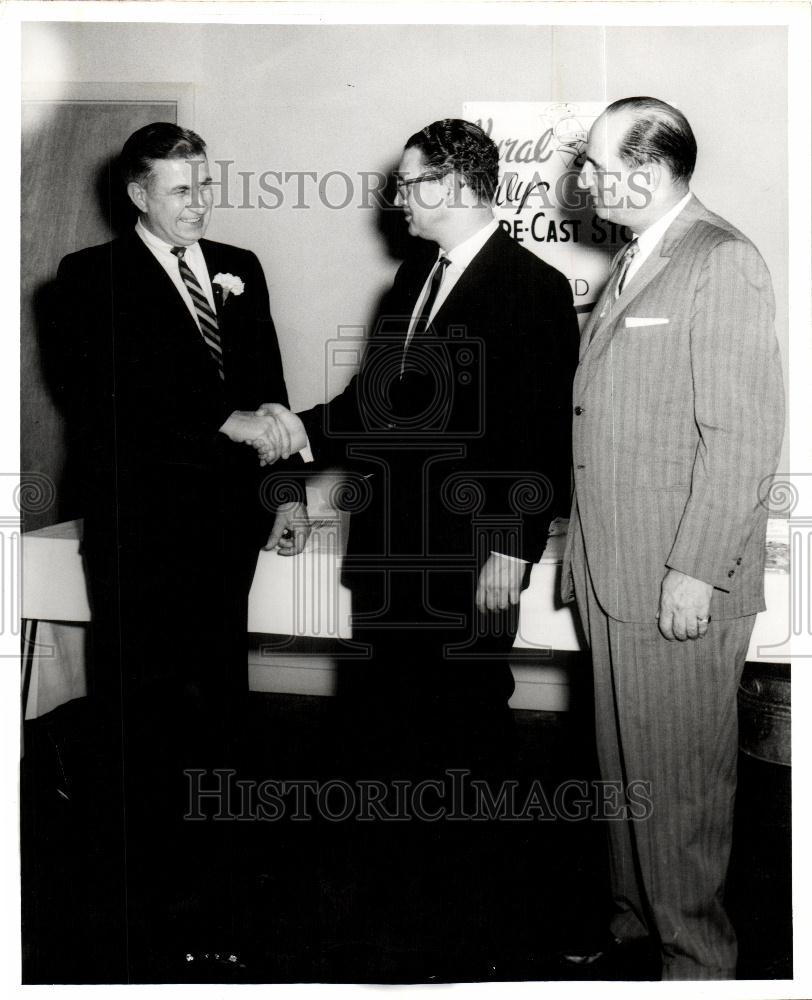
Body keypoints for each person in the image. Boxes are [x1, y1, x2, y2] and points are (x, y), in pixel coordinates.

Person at [54, 122, 309, 977]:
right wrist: (217, 424)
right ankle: (144, 900)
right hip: (142, 536)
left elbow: (268, 391)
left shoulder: (243, 266)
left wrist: (284, 496)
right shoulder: (90, 279)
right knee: (145, 715)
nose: (199, 204)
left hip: (225, 529)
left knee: (221, 704)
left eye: (205, 186)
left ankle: (221, 881)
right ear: (136, 194)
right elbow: (109, 410)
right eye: (180, 191)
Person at [259, 118, 578, 774]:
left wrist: (511, 549)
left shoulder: (532, 288)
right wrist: (296, 429)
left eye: (408, 184)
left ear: (455, 185)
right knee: (387, 726)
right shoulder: (412, 279)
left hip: (469, 557)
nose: (398, 198)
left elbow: (543, 435)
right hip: (390, 550)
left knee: (467, 723)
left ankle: (471, 868)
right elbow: (374, 408)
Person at [560, 97, 785, 980]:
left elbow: (741, 437)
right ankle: (634, 925)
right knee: (625, 773)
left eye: (598, 166)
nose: (583, 180)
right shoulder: (636, 259)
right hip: (617, 569)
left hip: (675, 577)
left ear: (646, 176)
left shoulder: (720, 260)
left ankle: (697, 962)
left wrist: (694, 571)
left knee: (681, 790)